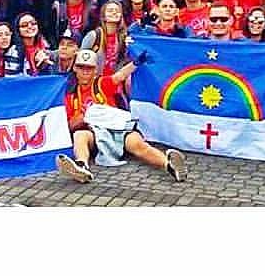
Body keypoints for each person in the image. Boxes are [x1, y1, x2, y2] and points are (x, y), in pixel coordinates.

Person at [55, 49, 187, 183]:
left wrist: (136, 63)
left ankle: (170, 166)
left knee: (137, 144)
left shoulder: (101, 84)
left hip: (118, 128)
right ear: (75, 69)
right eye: (81, 67)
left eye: (89, 68)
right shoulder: (71, 96)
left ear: (95, 71)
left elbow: (120, 76)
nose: (85, 71)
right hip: (95, 134)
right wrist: (85, 117)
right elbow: (70, 126)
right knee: (79, 135)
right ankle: (81, 166)